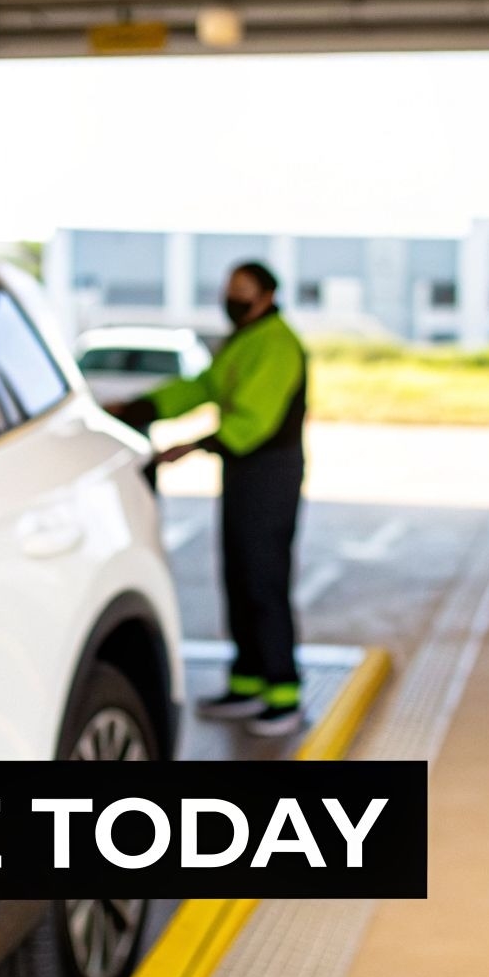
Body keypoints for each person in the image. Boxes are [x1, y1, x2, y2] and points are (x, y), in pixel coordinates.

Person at [112, 261, 308, 737]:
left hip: (269, 473)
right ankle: (247, 685)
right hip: (242, 473)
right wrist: (140, 407)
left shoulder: (278, 343)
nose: (231, 298)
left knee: (263, 580)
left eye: (241, 290)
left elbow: (255, 420)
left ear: (266, 296)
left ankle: (283, 693)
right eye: (228, 289)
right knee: (239, 577)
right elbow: (201, 387)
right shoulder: (242, 339)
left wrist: (194, 446)